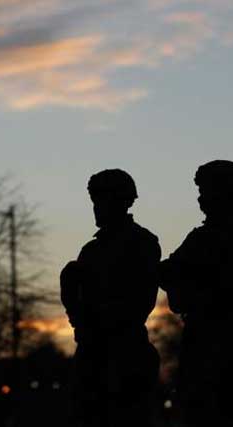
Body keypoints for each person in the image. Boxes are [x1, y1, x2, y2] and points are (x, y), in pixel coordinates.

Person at [160, 160, 233, 427]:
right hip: (211, 344)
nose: (201, 198)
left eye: (205, 191)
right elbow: (169, 273)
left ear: (225, 193)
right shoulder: (204, 238)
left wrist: (203, 290)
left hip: (226, 345)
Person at [61, 169, 161, 427]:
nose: (97, 208)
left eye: (102, 200)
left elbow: (140, 302)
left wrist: (96, 320)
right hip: (92, 354)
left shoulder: (142, 243)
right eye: (95, 201)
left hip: (124, 354)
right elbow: (77, 299)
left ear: (123, 202)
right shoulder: (90, 250)